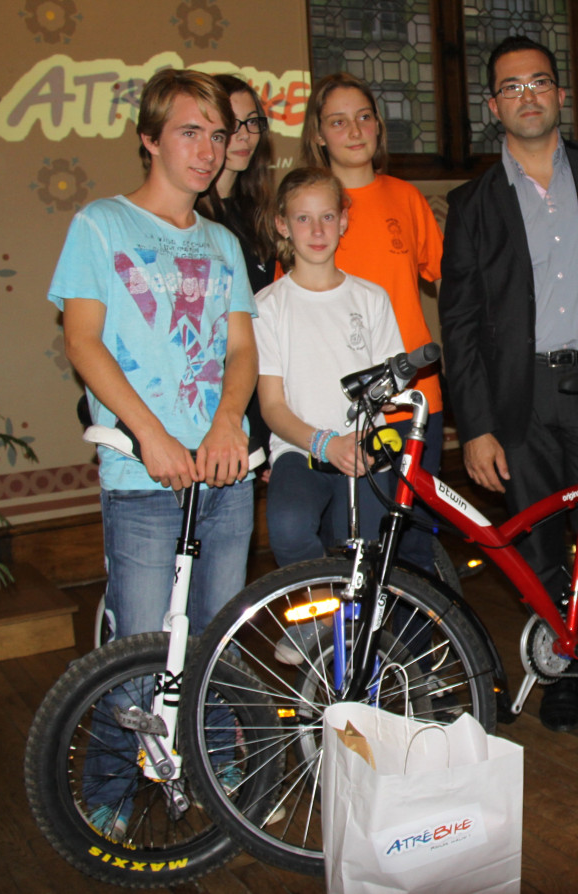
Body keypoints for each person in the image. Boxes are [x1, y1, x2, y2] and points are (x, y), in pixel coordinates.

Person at [48, 68, 257, 838]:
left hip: (223, 475)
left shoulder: (223, 240)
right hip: (141, 476)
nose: (208, 149)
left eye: (218, 133)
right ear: (149, 138)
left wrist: (230, 420)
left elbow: (240, 347)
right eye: (189, 132)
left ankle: (216, 762)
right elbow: (83, 341)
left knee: (216, 634)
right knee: (138, 649)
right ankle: (107, 784)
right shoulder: (100, 226)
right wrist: (154, 436)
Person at [440, 36, 578, 733]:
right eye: (512, 86)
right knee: (541, 537)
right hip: (518, 398)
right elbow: (458, 324)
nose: (528, 94)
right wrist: (476, 425)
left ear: (558, 94)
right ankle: (563, 665)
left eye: (540, 82)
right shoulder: (472, 203)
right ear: (494, 105)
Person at [300, 72, 444, 573]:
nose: (355, 130)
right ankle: (360, 654)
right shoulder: (308, 210)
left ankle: (416, 652)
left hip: (413, 406)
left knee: (414, 546)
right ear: (319, 135)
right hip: (340, 413)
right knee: (351, 546)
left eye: (364, 117)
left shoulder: (406, 199)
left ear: (379, 127)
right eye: (338, 122)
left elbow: (452, 282)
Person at [254, 166, 404, 585]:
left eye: (326, 216)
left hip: (366, 448)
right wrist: (325, 443)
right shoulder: (267, 306)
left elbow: (389, 384)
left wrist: (382, 407)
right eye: (302, 218)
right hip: (300, 448)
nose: (316, 230)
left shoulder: (371, 298)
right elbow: (271, 404)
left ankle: (360, 636)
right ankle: (318, 617)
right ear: (283, 225)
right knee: (288, 526)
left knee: (366, 551)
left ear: (343, 220)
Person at [196, 74, 278, 458]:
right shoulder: (188, 217)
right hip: (205, 398)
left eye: (253, 123)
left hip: (259, 385)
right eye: (232, 125)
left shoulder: (260, 213)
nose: (244, 136)